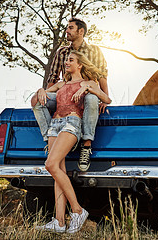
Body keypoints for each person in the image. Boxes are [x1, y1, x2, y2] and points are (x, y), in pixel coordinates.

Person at [31, 51, 111, 233]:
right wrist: (41, 90)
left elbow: (107, 99)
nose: (66, 62)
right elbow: (42, 95)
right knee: (59, 171)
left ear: (80, 64)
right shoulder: (61, 84)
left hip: (72, 123)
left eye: (71, 60)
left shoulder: (89, 82)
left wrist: (87, 89)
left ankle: (77, 209)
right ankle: (59, 222)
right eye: (66, 60)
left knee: (50, 165)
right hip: (54, 125)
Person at [33, 17, 109, 171]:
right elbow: (53, 77)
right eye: (67, 28)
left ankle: (86, 145)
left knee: (92, 98)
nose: (67, 31)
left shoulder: (94, 51)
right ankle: (52, 141)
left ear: (81, 31)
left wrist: (104, 99)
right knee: (38, 101)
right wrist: (46, 96)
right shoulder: (62, 52)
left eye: (71, 28)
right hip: (67, 93)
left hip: (88, 92)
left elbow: (102, 75)